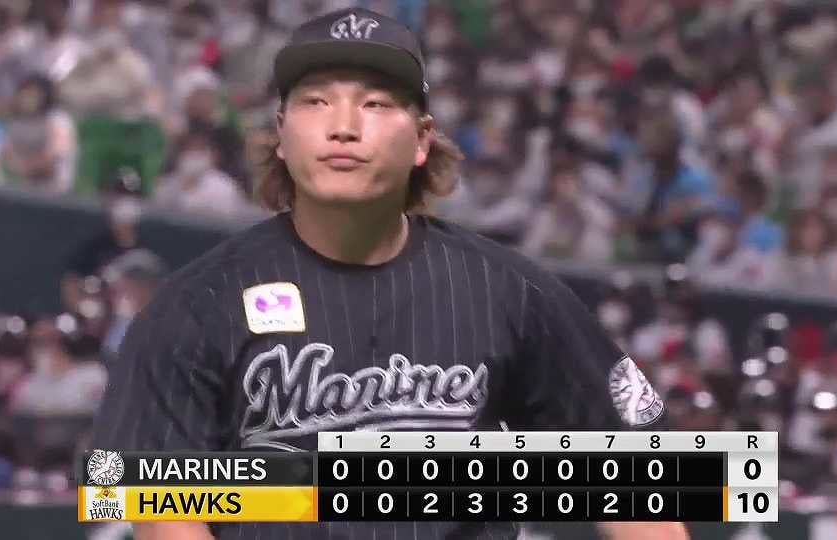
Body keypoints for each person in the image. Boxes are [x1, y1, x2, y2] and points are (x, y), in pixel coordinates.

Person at [93, 8, 685, 540]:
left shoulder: (509, 291)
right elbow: (157, 509)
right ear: (281, 136)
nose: (343, 125)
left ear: (423, 140)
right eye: (315, 102)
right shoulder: (195, 307)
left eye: (376, 104)